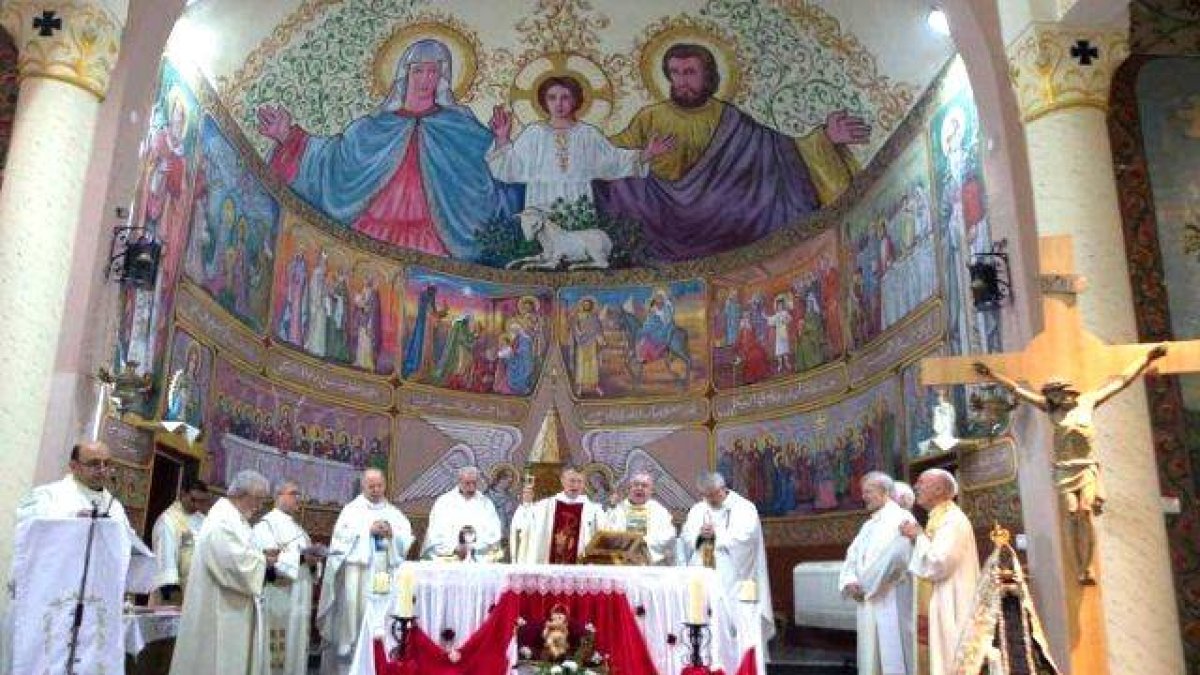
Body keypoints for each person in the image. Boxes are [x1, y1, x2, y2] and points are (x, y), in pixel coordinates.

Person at [593, 43, 869, 261]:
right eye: (674, 73)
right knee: (623, 186)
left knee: (753, 190)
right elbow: (612, 151)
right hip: (660, 212)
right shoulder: (650, 116)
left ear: (708, 75)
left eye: (689, 72)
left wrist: (825, 137)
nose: (680, 81)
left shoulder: (730, 118)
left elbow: (777, 151)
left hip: (719, 215)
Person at [257, 39, 513, 261]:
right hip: (374, 232)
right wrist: (287, 135)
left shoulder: (458, 124)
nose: (426, 79)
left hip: (437, 240)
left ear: (442, 78)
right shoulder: (373, 127)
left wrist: (501, 141)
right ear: (405, 75)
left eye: (433, 72)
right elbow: (334, 159)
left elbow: (489, 169)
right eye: (419, 71)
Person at [973, 345, 1166, 583]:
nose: (1052, 399)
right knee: (1072, 513)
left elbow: (1121, 382)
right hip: (1064, 470)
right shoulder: (1051, 410)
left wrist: (1146, 359)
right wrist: (991, 374)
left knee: (1086, 511)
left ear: (1067, 392)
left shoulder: (1089, 401)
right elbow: (1018, 390)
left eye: (1055, 394)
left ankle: (1087, 567)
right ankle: (1077, 564)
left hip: (1086, 467)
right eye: (1050, 396)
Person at [487, 75, 672, 209]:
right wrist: (502, 137)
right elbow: (511, 167)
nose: (559, 104)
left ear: (576, 100)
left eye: (565, 97)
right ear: (544, 101)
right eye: (552, 98)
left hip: (578, 199)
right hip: (540, 199)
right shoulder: (534, 133)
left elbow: (613, 160)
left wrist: (648, 153)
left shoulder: (587, 134)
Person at [170, 470, 275, 675]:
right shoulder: (222, 521)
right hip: (220, 611)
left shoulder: (236, 519)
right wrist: (265, 562)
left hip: (232, 607)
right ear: (242, 495)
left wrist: (261, 558)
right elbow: (235, 565)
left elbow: (242, 555)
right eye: (258, 499)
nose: (259, 506)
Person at [318, 468, 413, 665]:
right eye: (371, 486)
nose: (376, 490)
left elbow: (406, 540)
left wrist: (391, 533)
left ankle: (379, 660)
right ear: (363, 486)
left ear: (385, 485)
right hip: (358, 576)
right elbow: (340, 540)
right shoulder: (351, 511)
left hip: (385, 576)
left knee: (382, 622)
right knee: (358, 620)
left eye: (379, 486)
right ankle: (354, 660)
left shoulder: (394, 513)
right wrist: (367, 531)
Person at [680, 472, 774, 668]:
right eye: (705, 495)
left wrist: (717, 535)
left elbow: (747, 538)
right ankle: (708, 663)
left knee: (737, 624)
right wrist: (700, 534)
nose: (708, 500)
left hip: (737, 576)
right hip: (702, 573)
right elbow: (687, 536)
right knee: (704, 620)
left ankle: (740, 666)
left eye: (712, 495)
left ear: (723, 489)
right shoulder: (698, 509)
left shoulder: (744, 508)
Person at [899, 469, 979, 675]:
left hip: (950, 602)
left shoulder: (953, 520)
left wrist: (918, 536)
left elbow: (938, 563)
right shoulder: (937, 518)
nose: (916, 487)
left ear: (939, 489)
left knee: (947, 659)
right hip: (938, 602)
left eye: (921, 482)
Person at [839, 472, 915, 675]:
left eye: (868, 492)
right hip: (866, 598)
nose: (863, 496)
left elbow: (898, 560)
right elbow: (852, 556)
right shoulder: (868, 525)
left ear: (886, 492)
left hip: (889, 598)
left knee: (890, 657)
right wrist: (850, 581)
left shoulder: (903, 518)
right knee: (869, 658)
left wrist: (868, 587)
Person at [253, 482, 323, 675]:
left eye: (298, 494)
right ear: (278, 495)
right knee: (277, 651)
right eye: (293, 494)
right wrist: (301, 558)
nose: (297, 498)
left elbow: (310, 565)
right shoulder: (265, 525)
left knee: (297, 648)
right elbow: (266, 561)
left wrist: (314, 561)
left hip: (300, 600)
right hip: (279, 598)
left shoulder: (300, 531)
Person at [15, 441, 132, 530]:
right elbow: (28, 529)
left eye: (106, 464)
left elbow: (128, 543)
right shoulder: (47, 495)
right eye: (93, 463)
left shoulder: (115, 507)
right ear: (73, 466)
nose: (102, 470)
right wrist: (73, 518)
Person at [510, 468, 605, 564]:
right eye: (572, 481)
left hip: (581, 565)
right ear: (562, 481)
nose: (576, 485)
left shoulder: (593, 510)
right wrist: (527, 503)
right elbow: (523, 525)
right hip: (550, 565)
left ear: (584, 484)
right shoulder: (545, 506)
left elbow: (605, 535)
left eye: (579, 481)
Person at [421, 466, 503, 561]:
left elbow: (493, 531)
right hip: (448, 556)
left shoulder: (486, 503)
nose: (471, 487)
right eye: (467, 483)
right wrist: (455, 548)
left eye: (474, 483)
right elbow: (436, 532)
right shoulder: (444, 502)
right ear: (459, 482)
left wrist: (473, 547)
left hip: (478, 557)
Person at [150, 478, 211, 606]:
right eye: (193, 500)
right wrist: (171, 591)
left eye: (202, 501)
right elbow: (165, 558)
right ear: (183, 494)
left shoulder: (203, 520)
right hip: (173, 592)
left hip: (198, 590)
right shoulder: (168, 520)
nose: (197, 506)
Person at [602, 472, 678, 565]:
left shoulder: (659, 511)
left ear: (651, 491)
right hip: (622, 563)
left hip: (651, 564)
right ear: (629, 489)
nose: (639, 488)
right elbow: (608, 534)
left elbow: (668, 536)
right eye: (636, 485)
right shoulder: (618, 510)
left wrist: (643, 542)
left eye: (644, 485)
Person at [570, 297, 606, 396]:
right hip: (582, 343)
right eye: (585, 304)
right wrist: (579, 333)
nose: (586, 306)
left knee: (593, 365)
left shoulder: (594, 317)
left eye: (588, 304)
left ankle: (595, 386)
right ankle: (580, 387)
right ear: (582, 306)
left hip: (592, 343)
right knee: (581, 365)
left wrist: (601, 340)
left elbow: (598, 330)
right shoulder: (578, 316)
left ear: (591, 306)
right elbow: (575, 328)